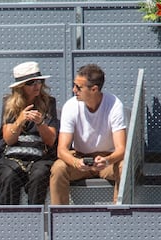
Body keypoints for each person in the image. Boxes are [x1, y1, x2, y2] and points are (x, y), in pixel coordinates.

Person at [50, 64, 127, 205]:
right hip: (80, 157)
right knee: (58, 168)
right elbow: (61, 150)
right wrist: (76, 162)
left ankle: (120, 215)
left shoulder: (114, 105)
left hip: (107, 160)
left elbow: (122, 149)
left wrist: (107, 160)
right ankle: (60, 219)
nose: (74, 90)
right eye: (74, 85)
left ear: (94, 89)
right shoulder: (71, 106)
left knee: (124, 168)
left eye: (78, 87)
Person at [0, 61, 59, 205]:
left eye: (39, 81)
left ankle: (35, 219)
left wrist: (40, 123)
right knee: (8, 175)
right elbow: (9, 140)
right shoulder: (10, 103)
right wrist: (20, 120)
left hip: (40, 156)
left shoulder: (49, 103)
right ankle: (11, 221)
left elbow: (50, 141)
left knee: (40, 175)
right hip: (14, 155)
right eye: (31, 83)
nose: (37, 86)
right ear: (21, 87)